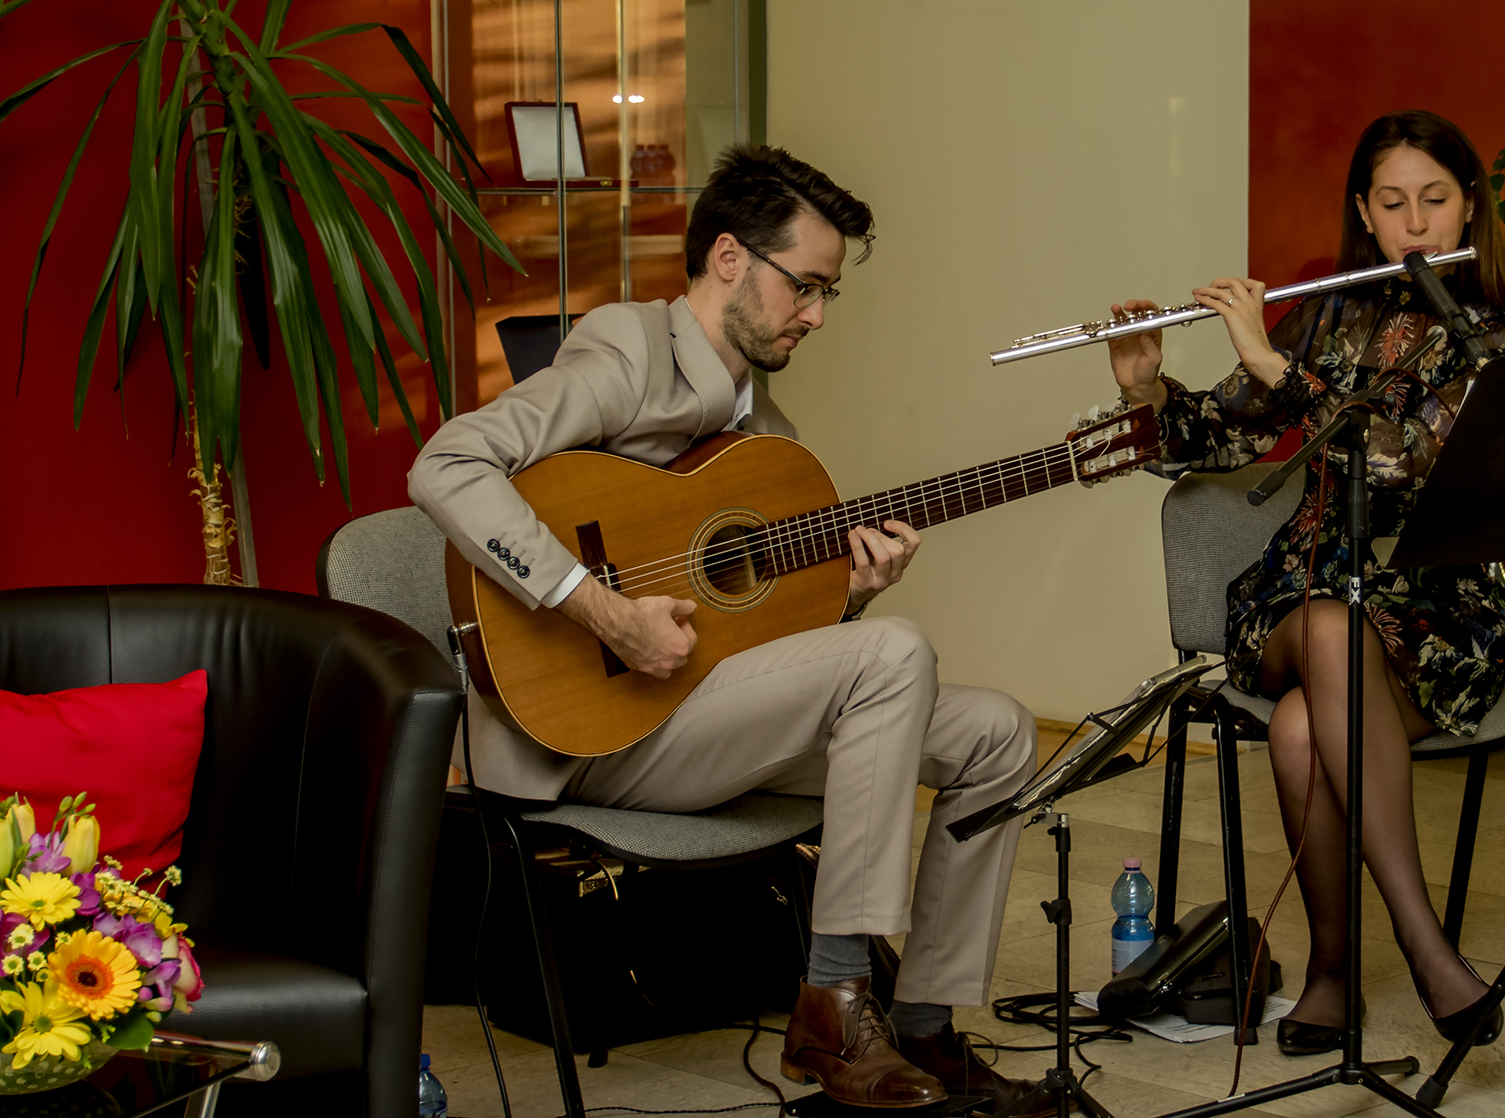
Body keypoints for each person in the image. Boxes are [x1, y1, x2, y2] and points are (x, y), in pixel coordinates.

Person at [410, 145, 1049, 1115]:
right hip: (592, 731)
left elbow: (757, 634)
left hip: (702, 716)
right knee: (895, 653)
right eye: (805, 285)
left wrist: (852, 593)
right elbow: (447, 465)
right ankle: (835, 999)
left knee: (998, 730)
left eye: (828, 293)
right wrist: (604, 610)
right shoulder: (626, 352)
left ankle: (923, 1024)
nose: (816, 315)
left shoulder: (766, 435)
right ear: (727, 258)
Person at [1104, 111, 1505, 1056]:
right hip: (1302, 592)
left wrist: (1278, 368)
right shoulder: (1330, 316)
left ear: (1469, 207)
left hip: (1437, 607)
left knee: (1303, 727)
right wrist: (1148, 390)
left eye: (1435, 200)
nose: (1415, 223)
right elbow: (1223, 440)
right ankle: (1427, 949)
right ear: (1364, 213)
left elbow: (1411, 461)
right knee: (1332, 626)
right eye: (1393, 202)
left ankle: (1334, 972)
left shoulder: (1499, 340)